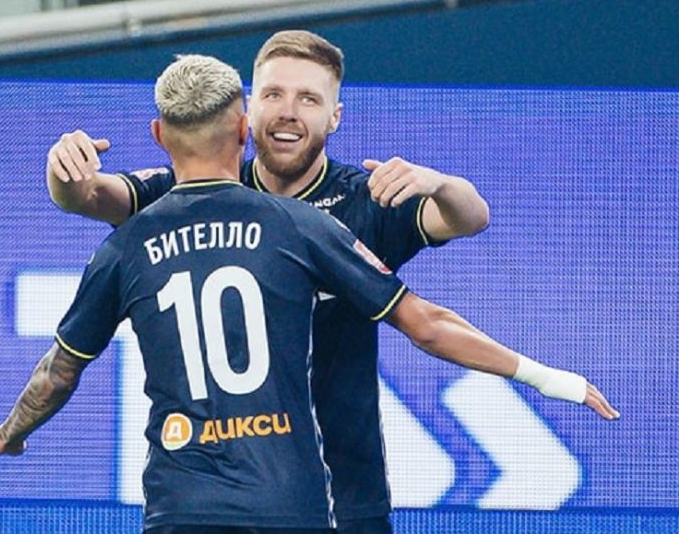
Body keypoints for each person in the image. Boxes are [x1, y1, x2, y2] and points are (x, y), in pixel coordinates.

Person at [41, 33, 614, 533]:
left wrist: (440, 184)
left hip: (347, 488)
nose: (288, 113)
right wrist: (62, 170)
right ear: (247, 113)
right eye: (274, 95)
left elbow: (470, 218)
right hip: (226, 497)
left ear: (335, 117)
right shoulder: (192, 192)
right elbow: (90, 196)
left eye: (309, 99)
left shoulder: (368, 200)